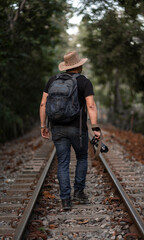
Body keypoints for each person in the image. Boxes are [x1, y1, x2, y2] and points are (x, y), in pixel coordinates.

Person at [40, 51, 101, 210]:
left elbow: (42, 105)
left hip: (57, 128)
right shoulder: (84, 82)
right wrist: (95, 128)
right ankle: (78, 193)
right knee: (81, 158)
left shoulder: (53, 80)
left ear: (66, 66)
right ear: (79, 65)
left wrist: (43, 126)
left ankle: (65, 200)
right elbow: (91, 105)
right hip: (77, 129)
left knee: (63, 163)